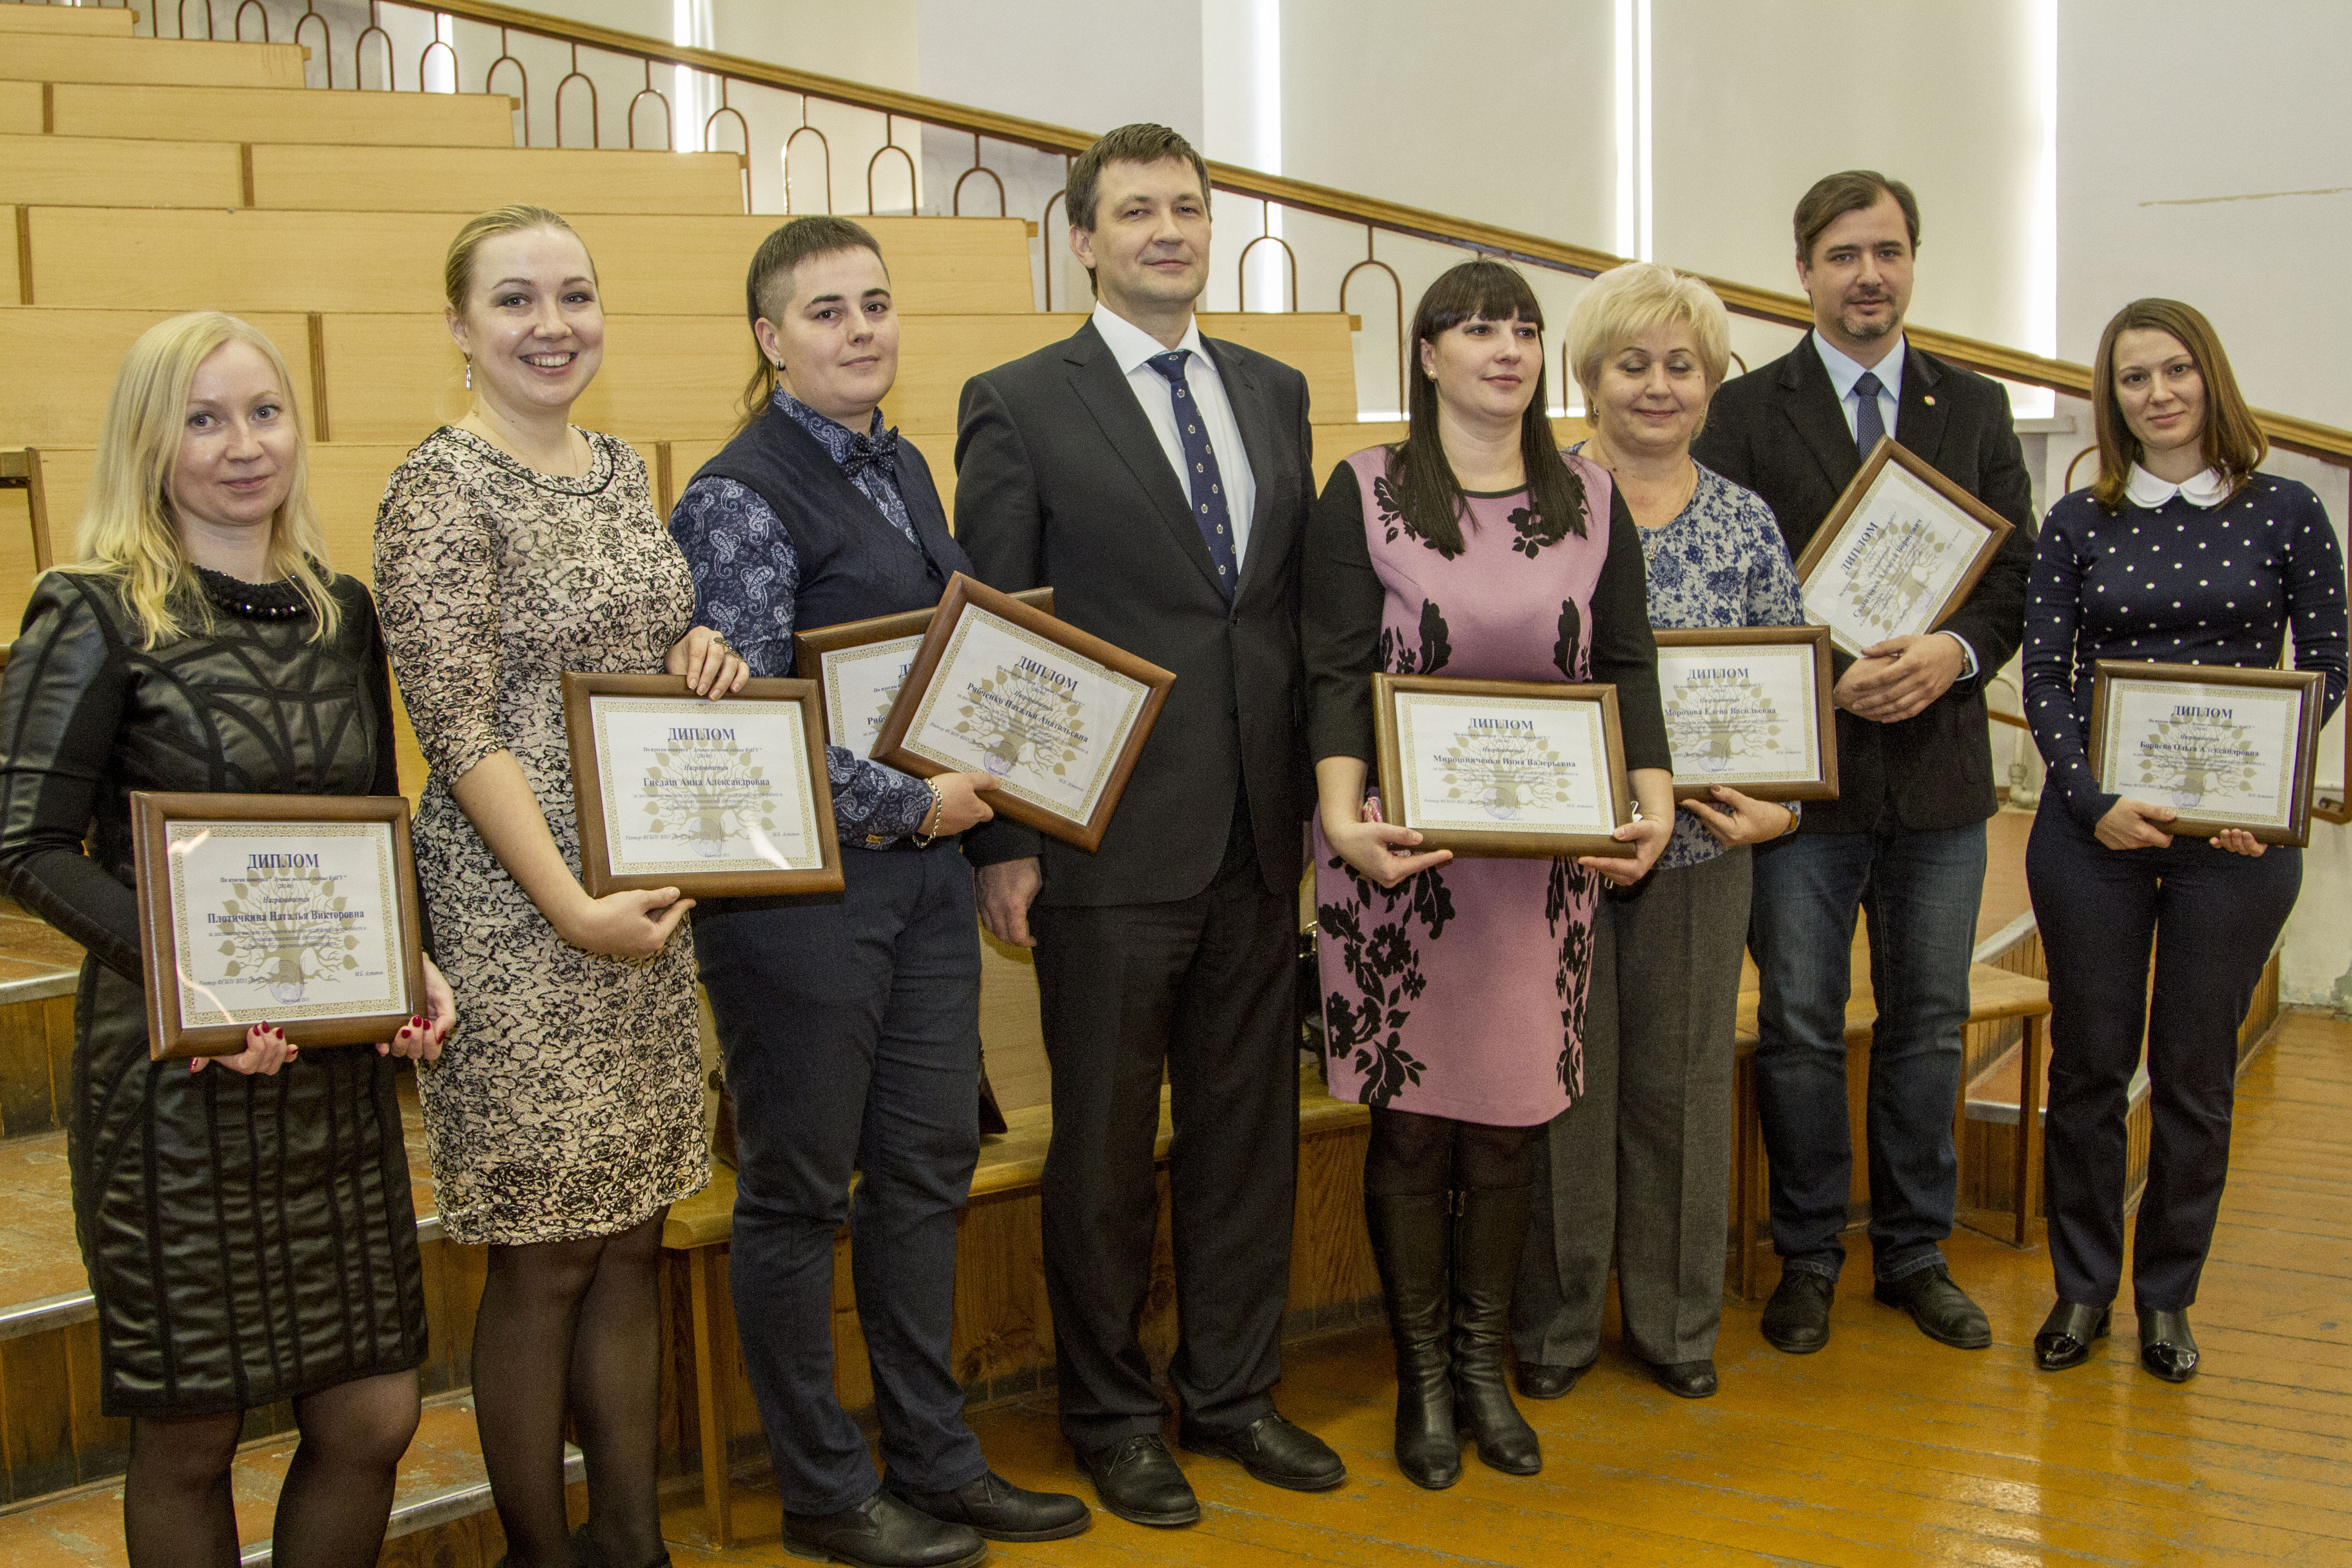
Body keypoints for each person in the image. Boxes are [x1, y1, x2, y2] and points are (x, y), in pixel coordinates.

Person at [0, 312, 455, 1568]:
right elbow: (22, 846)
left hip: (330, 1083)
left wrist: (407, 963)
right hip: (175, 1088)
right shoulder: (89, 610)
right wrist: (196, 989)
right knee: (193, 1432)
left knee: (373, 1411)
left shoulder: (340, 612)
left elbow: (373, 822)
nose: (241, 446)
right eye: (202, 420)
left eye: (263, 413)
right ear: (149, 444)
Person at [667, 216, 1088, 1568]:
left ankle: (936, 1459)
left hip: (916, 891)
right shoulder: (738, 497)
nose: (861, 331)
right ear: (769, 338)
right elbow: (748, 725)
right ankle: (825, 1488)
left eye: (877, 305)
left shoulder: (903, 463)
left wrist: (976, 822)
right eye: (827, 311)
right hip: (799, 908)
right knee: (798, 1196)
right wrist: (917, 804)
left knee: (924, 1172)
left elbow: (942, 669)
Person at [951, 123, 1341, 1526]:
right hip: (1101, 843)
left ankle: (1234, 1395)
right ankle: (1112, 1415)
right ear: (1086, 237)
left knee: (1249, 1133)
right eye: (1137, 212)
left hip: (1255, 829)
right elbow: (996, 636)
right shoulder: (1018, 400)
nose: (1168, 230)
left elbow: (1282, 613)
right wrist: (1000, 843)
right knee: (1107, 1149)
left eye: (1187, 207)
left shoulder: (1276, 390)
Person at [372, 206, 746, 1568]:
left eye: (575, 295)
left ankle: (631, 1546)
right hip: (515, 918)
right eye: (517, 300)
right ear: (461, 327)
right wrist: (568, 909)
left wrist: (696, 643)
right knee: (544, 1261)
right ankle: (544, 1551)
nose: (552, 325)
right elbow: (458, 725)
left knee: (632, 1240)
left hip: (640, 903)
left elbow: (629, 652)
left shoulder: (614, 471)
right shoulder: (436, 488)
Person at [1306, 257, 1674, 1488]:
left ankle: (1481, 1370)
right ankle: (1421, 1380)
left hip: (1538, 873)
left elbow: (1625, 662)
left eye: (1523, 329)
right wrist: (1340, 814)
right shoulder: (1362, 492)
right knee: (1413, 1133)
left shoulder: (1590, 496)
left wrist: (1655, 802)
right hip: (1401, 865)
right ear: (1427, 356)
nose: (1506, 350)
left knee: (1512, 1129)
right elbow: (1332, 670)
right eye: (1476, 330)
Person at [1691, 170, 2034, 1357]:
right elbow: (1723, 589)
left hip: (1939, 779)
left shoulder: (1974, 408)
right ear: (1805, 271)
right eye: (1844, 254)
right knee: (1796, 1021)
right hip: (1802, 789)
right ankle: (1808, 1255)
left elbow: (2015, 584)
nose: (1868, 275)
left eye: (1888, 251)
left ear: (1913, 262)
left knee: (1930, 1021)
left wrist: (1952, 652)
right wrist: (1807, 682)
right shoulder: (1740, 414)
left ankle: (1917, 1253)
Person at [2022, 299, 2346, 1382]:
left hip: (2236, 849)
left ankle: (2168, 1298)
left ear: (2210, 377)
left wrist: (2267, 798)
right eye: (2131, 379)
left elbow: (2328, 667)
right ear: (2108, 401)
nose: (2157, 393)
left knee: (2196, 1078)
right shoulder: (2080, 522)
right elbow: (2047, 680)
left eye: (2174, 371)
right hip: (2093, 835)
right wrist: (2089, 798)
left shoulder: (2289, 510)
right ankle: (2081, 1290)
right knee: (2088, 1069)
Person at [1511, 262, 1805, 1405]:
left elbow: (1788, 682)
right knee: (1564, 1088)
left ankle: (1679, 1327)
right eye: (1632, 363)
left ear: (1713, 379)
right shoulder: (1540, 507)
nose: (1658, 385)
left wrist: (1781, 803)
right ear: (1588, 377)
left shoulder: (1745, 519)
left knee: (1682, 1087)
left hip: (1700, 857)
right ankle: (1556, 1326)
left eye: (1681, 364)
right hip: (1563, 857)